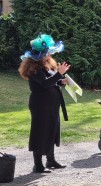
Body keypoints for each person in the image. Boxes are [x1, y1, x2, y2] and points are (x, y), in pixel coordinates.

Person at [18, 34, 70, 173]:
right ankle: (38, 165)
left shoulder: (46, 65)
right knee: (40, 132)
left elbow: (51, 80)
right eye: (47, 53)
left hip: (51, 105)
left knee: (52, 130)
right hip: (41, 106)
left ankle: (50, 160)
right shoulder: (34, 69)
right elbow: (46, 83)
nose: (49, 54)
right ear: (39, 55)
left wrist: (61, 81)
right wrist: (59, 74)